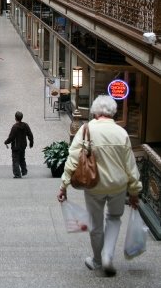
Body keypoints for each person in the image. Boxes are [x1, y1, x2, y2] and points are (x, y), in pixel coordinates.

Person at [57, 95, 142, 276]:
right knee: (114, 218)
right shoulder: (122, 133)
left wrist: (64, 185)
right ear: (112, 112)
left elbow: (73, 159)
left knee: (96, 224)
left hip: (94, 186)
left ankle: (96, 260)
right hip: (118, 186)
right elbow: (131, 165)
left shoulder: (86, 130)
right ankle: (108, 256)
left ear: (95, 111)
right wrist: (135, 191)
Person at [4, 111, 34, 178]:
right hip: (23, 146)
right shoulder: (25, 125)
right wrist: (31, 143)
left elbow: (11, 137)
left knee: (15, 160)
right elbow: (30, 135)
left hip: (16, 147)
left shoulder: (15, 127)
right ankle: (24, 171)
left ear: (15, 118)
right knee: (22, 158)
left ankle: (17, 174)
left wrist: (6, 142)